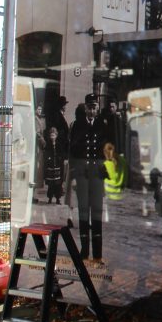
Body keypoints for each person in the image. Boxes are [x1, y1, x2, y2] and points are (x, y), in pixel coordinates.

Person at [69, 94, 108, 262]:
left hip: (97, 174)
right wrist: (74, 175)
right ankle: (84, 251)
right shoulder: (77, 125)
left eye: (94, 108)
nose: (92, 111)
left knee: (97, 212)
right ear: (85, 108)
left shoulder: (103, 125)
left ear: (97, 108)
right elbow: (73, 151)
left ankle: (97, 253)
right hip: (82, 174)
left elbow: (108, 148)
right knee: (84, 212)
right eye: (89, 107)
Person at [42, 127, 66, 204]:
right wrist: (49, 159)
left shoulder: (59, 145)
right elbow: (46, 154)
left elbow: (62, 154)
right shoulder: (48, 144)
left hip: (57, 167)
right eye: (51, 135)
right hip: (50, 167)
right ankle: (50, 198)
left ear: (56, 135)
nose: (52, 137)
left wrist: (60, 158)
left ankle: (58, 199)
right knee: (51, 184)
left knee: (58, 184)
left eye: (54, 135)